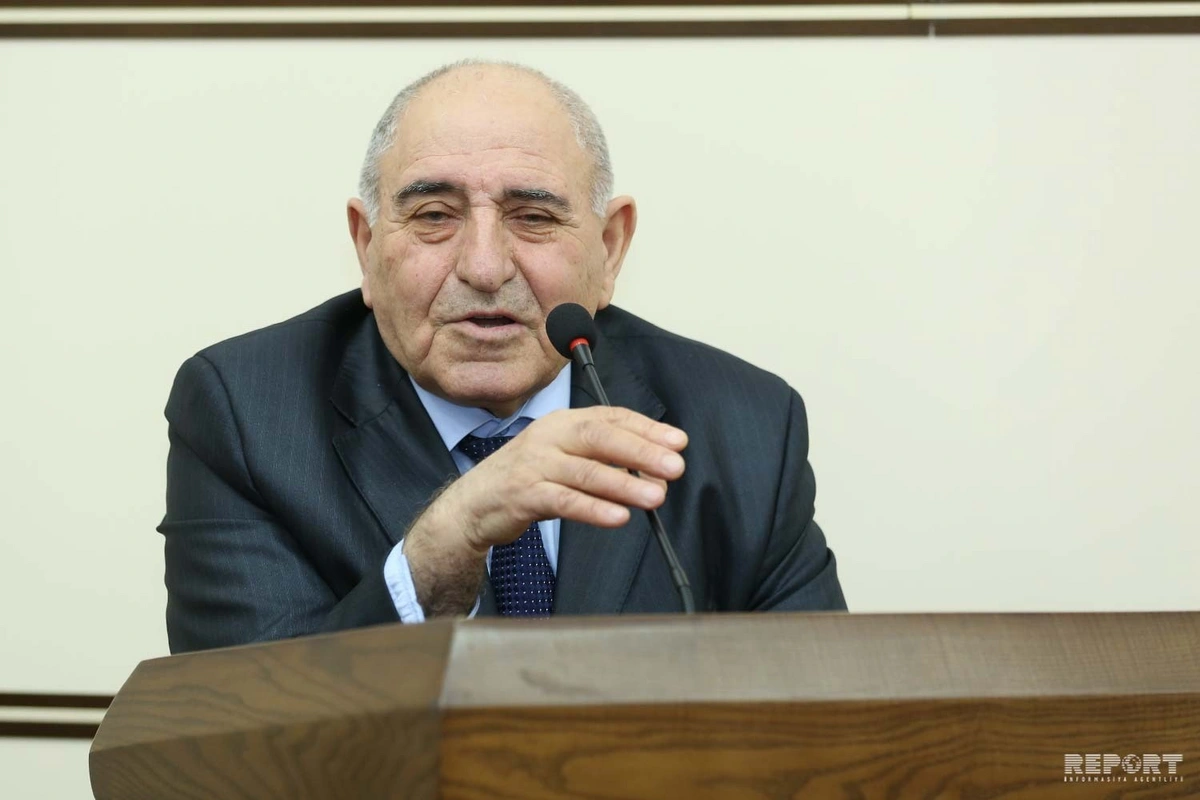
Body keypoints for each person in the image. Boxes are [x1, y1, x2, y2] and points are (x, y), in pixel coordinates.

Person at [160, 60, 846, 654]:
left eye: (533, 218)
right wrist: (443, 546)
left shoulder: (747, 425)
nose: (484, 268)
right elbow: (248, 733)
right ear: (366, 246)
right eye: (434, 215)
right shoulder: (247, 415)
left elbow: (820, 719)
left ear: (609, 249)